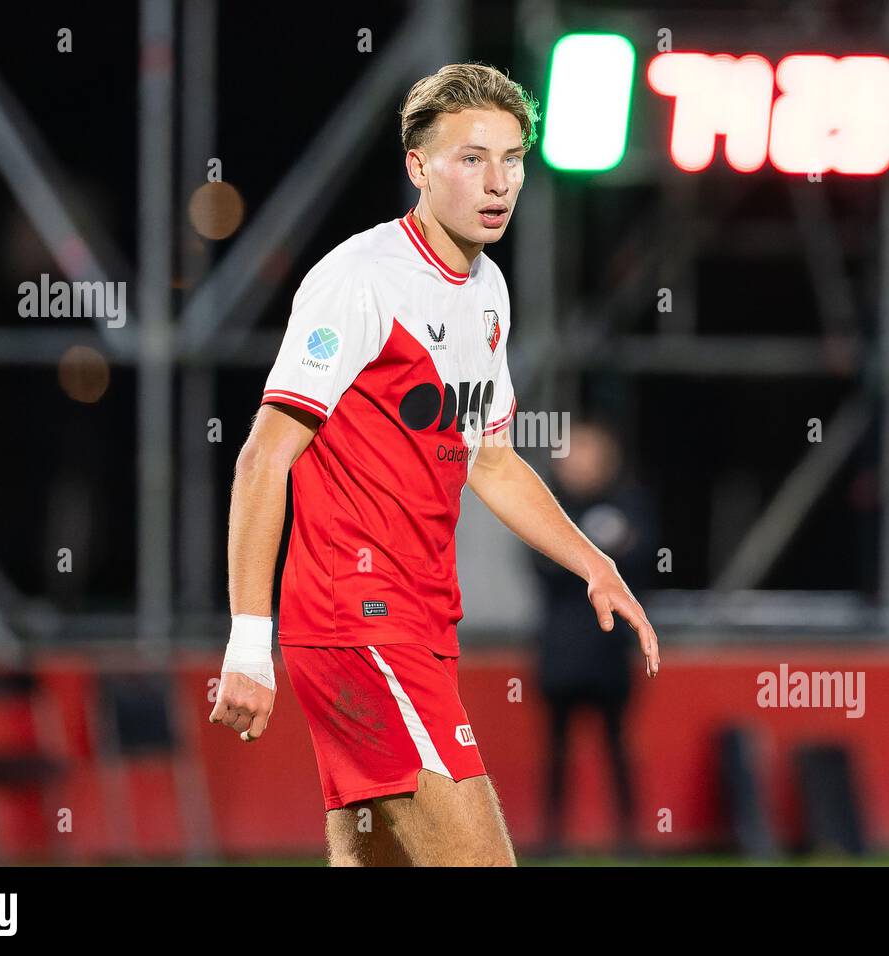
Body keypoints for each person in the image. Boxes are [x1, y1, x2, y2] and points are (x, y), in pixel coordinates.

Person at [208, 63, 660, 866]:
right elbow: (260, 458)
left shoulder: (486, 289)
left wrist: (594, 562)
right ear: (418, 166)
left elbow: (490, 459)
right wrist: (249, 643)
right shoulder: (360, 279)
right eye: (472, 158)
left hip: (420, 624)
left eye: (514, 158)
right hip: (357, 622)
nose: (500, 182)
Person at [532, 420, 657, 856]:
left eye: (587, 452)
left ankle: (629, 836)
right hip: (560, 650)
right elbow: (539, 566)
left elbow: (642, 558)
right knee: (556, 748)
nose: (578, 462)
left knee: (617, 743)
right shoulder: (547, 510)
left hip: (608, 652)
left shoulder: (628, 505)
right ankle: (551, 836)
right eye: (572, 453)